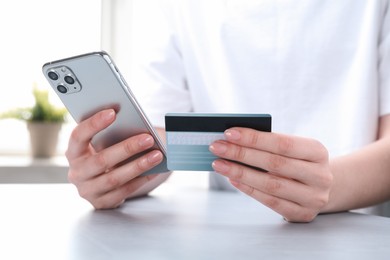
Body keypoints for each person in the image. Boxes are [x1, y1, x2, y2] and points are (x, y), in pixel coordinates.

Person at [65, 0, 390, 222]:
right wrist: (116, 172)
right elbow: (166, 141)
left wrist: (330, 186)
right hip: (224, 234)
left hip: (353, 228)